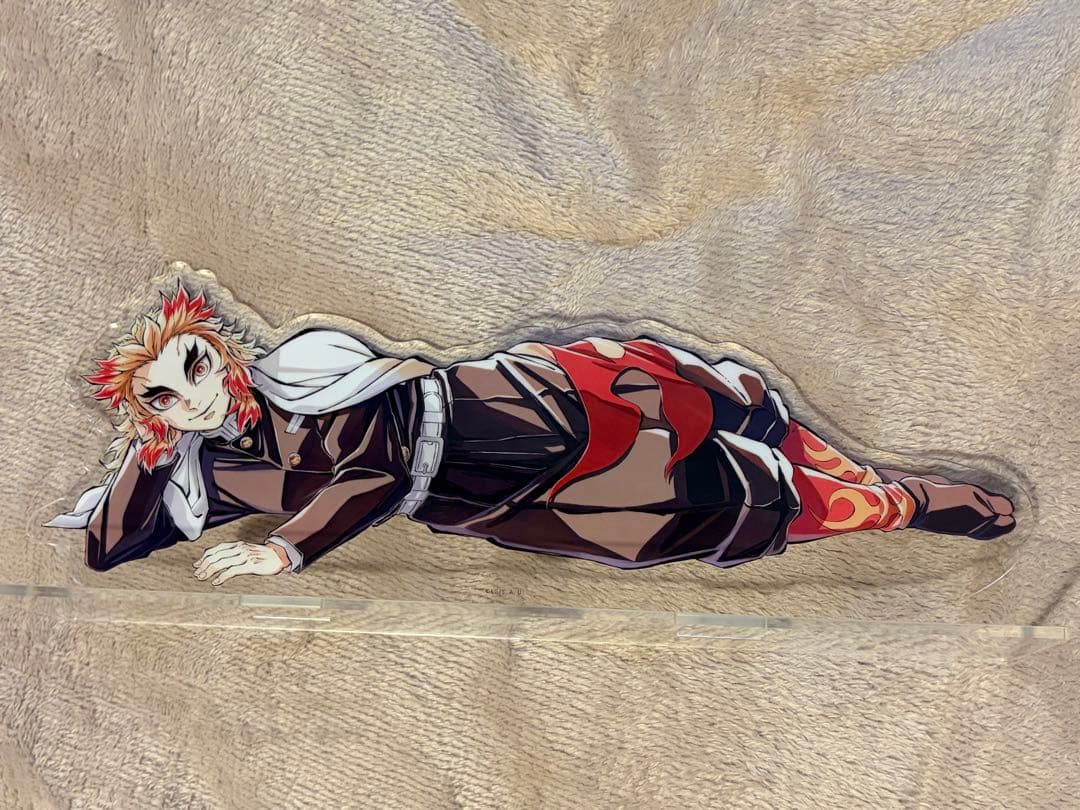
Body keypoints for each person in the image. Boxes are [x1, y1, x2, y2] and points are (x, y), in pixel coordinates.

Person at [47, 283, 1015, 586]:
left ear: (219, 348)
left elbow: (374, 472)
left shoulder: (311, 365)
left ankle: (900, 494)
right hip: (482, 505)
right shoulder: (213, 468)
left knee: (683, 428)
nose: (194, 397)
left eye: (195, 366)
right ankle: (890, 507)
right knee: (696, 516)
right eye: (165, 397)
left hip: (506, 418)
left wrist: (285, 550)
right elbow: (106, 547)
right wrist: (149, 453)